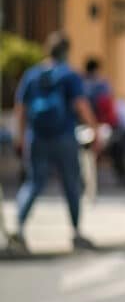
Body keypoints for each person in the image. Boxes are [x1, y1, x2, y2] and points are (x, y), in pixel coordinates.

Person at [11, 32, 102, 252]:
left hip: (37, 138)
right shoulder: (69, 75)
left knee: (33, 183)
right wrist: (95, 130)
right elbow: (81, 105)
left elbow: (21, 109)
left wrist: (20, 137)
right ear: (66, 51)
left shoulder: (31, 75)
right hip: (64, 138)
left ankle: (19, 230)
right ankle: (76, 232)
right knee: (71, 184)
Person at [83, 57, 125, 187]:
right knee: (120, 141)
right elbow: (109, 111)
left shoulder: (81, 84)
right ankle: (123, 177)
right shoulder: (102, 85)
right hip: (100, 126)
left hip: (83, 127)